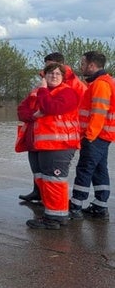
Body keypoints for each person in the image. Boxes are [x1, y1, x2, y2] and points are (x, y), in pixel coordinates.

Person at [16, 62, 80, 229]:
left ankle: (55, 218)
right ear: (44, 75)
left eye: (58, 74)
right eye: (50, 73)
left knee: (54, 181)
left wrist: (43, 90)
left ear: (63, 77)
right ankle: (53, 214)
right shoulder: (36, 92)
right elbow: (21, 111)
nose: (54, 76)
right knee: (46, 180)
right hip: (42, 145)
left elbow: (50, 107)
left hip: (60, 145)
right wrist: (33, 115)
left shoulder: (68, 93)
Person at [70, 51, 115, 220]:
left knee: (84, 169)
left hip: (96, 136)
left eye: (82, 64)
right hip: (102, 135)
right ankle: (100, 206)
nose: (81, 67)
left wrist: (89, 136)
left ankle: (75, 205)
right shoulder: (101, 82)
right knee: (99, 169)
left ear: (92, 65)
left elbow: (98, 113)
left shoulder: (100, 84)